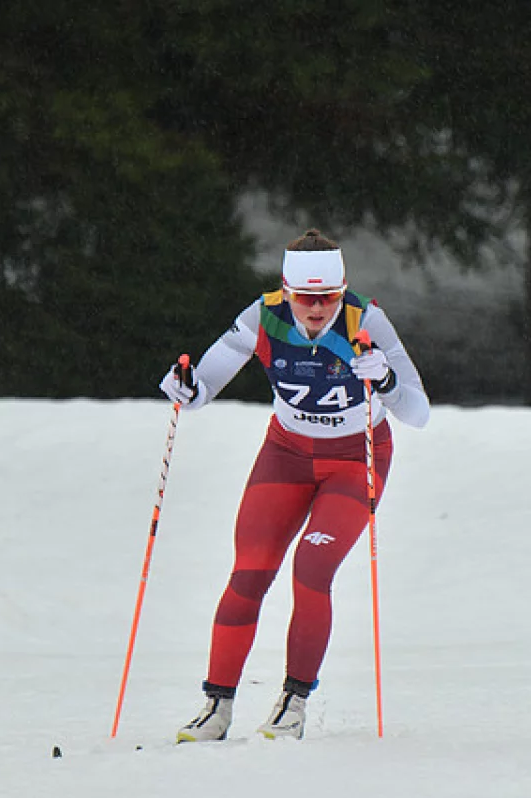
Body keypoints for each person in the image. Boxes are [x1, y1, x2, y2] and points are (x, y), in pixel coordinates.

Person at [159, 229, 430, 741]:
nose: (316, 309)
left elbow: (418, 413)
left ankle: (293, 700)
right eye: (306, 298)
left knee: (311, 567)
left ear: (342, 288)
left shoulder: (364, 319)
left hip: (355, 459)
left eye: (327, 297)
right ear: (286, 291)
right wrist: (184, 387)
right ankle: (216, 706)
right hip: (285, 455)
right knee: (249, 573)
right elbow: (201, 388)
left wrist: (388, 381)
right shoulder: (262, 316)